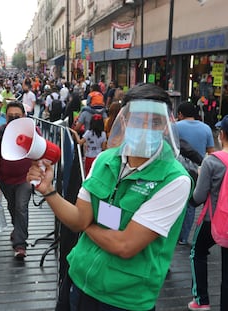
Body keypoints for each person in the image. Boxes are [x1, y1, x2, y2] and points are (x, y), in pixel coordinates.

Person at [27, 83, 192, 310]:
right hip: (77, 280)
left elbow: (125, 245)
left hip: (124, 299)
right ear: (124, 121)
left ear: (165, 126)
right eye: (137, 120)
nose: (145, 128)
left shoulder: (174, 180)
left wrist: (88, 224)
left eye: (154, 122)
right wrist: (49, 191)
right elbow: (77, 218)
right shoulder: (105, 160)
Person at [187, 115, 228, 311]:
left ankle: (201, 300)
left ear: (222, 135)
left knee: (198, 252)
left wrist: (190, 201)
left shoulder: (213, 161)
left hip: (214, 221)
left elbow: (200, 195)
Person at [0, 101, 32, 258]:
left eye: (17, 116)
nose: (14, 119)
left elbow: (41, 150)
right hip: (6, 179)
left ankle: (20, 244)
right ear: (5, 117)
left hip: (26, 178)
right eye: (10, 117)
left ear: (24, 116)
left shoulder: (33, 131)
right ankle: (18, 230)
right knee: (13, 207)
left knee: (21, 207)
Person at [176, 102, 214, 245]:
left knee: (176, 203)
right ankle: (184, 237)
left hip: (177, 170)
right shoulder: (206, 129)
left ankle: (173, 235)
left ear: (180, 114)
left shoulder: (175, 127)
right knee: (191, 205)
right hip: (197, 172)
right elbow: (211, 152)